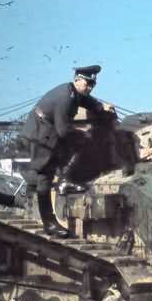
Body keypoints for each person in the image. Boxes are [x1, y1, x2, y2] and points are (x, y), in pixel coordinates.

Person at [19, 65, 116, 238]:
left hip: (47, 128)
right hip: (41, 133)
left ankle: (66, 180)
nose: (90, 88)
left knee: (63, 157)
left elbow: (85, 100)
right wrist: (83, 135)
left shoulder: (74, 92)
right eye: (87, 84)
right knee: (45, 175)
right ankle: (50, 221)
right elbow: (64, 130)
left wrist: (100, 106)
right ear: (77, 79)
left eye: (92, 85)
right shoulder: (66, 98)